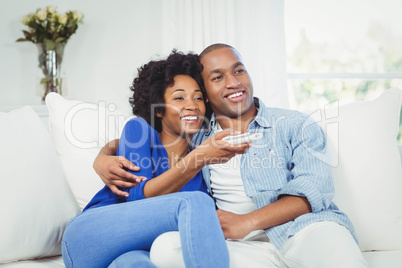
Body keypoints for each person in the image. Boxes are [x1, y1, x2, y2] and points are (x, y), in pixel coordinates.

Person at [94, 44, 368, 267]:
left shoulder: (295, 125)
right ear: (206, 92)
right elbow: (150, 139)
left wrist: (246, 222)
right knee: (166, 248)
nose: (233, 82)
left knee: (335, 245)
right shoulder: (195, 134)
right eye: (217, 77)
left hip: (305, 232)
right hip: (238, 247)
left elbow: (312, 191)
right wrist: (103, 157)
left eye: (239, 71)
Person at [61, 50, 251, 268]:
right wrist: (199, 158)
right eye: (179, 97)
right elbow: (138, 198)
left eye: (198, 97)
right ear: (158, 109)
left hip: (132, 252)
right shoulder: (140, 131)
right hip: (91, 236)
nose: (192, 105)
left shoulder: (200, 168)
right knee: (197, 203)